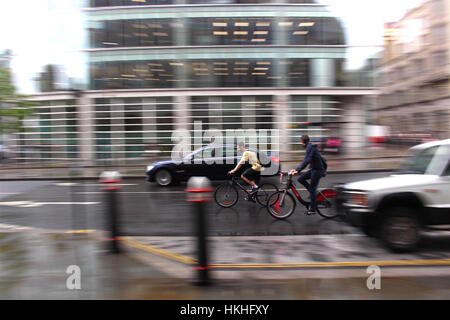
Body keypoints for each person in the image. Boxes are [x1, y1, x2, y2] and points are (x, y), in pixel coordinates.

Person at [289, 135, 327, 215]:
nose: (301, 143)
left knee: (312, 188)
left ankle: (312, 210)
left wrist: (297, 170)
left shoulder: (310, 147)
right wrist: (296, 169)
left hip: (318, 170)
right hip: (314, 169)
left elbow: (307, 160)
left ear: (303, 141)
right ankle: (313, 194)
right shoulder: (309, 146)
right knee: (301, 179)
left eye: (301, 141)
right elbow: (305, 160)